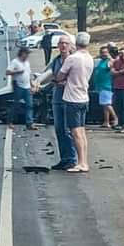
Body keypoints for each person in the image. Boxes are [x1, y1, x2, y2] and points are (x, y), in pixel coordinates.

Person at [34, 34, 76, 169]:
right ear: (57, 46)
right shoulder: (57, 60)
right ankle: (64, 158)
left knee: (68, 130)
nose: (63, 46)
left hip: (70, 98)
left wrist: (59, 82)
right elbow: (49, 73)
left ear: (70, 46)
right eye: (61, 43)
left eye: (65, 43)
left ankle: (71, 158)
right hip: (57, 98)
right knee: (59, 130)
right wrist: (37, 82)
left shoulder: (74, 60)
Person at [57, 31, 94, 173]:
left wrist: (63, 79)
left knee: (75, 132)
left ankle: (81, 163)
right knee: (82, 131)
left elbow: (60, 76)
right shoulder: (90, 58)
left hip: (72, 98)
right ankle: (84, 161)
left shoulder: (72, 58)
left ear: (75, 43)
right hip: (84, 97)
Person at [6, 47, 36, 130]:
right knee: (16, 104)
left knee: (29, 105)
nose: (27, 56)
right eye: (26, 54)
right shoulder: (15, 62)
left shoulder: (27, 63)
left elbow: (28, 74)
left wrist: (32, 84)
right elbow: (7, 72)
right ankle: (10, 121)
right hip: (18, 85)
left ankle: (29, 123)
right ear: (22, 53)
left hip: (27, 86)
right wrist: (17, 72)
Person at [94, 46, 118, 128]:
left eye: (105, 52)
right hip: (101, 86)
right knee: (105, 105)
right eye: (102, 52)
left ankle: (115, 118)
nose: (103, 54)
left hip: (107, 86)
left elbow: (112, 68)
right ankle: (106, 121)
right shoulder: (101, 61)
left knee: (107, 104)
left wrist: (111, 59)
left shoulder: (109, 61)